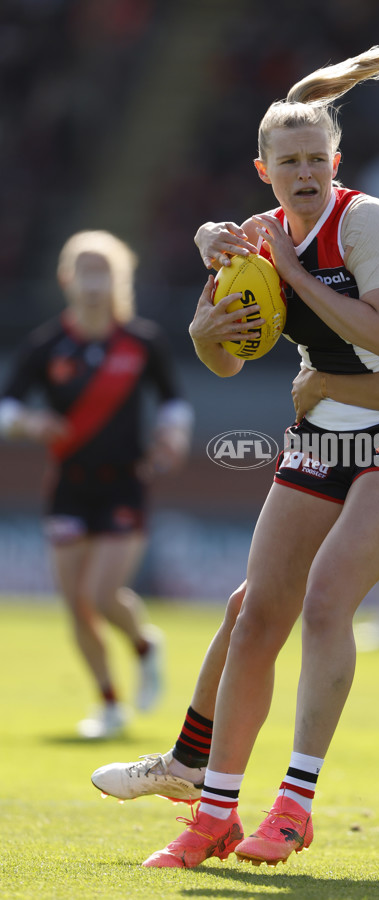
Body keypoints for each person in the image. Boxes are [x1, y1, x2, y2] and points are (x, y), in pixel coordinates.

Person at [92, 141, 379, 877]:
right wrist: (215, 244)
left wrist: (326, 388)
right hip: (370, 456)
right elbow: (295, 195)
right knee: (252, 607)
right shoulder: (369, 243)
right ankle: (190, 764)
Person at [116, 31, 379, 869]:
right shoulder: (252, 238)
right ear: (263, 170)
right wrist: (204, 331)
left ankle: (294, 802)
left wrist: (295, 277)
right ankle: (213, 812)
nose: (306, 172)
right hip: (321, 432)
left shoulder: (367, 221)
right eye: (290, 161)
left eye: (317, 157)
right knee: (256, 614)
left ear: (335, 162)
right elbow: (227, 358)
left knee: (321, 608)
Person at [0, 230, 194, 739]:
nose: (92, 280)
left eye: (102, 269)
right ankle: (109, 704)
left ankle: (146, 646)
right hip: (68, 486)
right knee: (76, 604)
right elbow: (8, 407)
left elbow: (174, 401)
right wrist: (31, 423)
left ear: (118, 278)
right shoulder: (48, 344)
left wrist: (171, 436)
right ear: (67, 278)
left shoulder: (142, 341)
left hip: (124, 485)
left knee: (103, 593)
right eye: (83, 270)